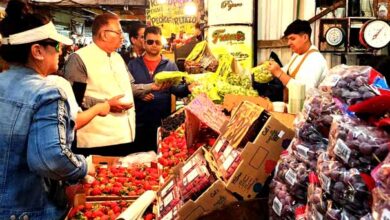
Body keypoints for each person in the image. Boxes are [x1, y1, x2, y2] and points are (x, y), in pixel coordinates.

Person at [0, 5, 92, 219]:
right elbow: (51, 159)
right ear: (37, 51)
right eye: (56, 46)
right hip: (28, 210)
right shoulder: (47, 92)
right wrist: (83, 167)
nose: (61, 51)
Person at [63, 13, 137, 156]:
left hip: (124, 135)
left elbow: (130, 88)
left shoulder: (117, 57)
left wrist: (153, 87)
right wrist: (106, 105)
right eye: (119, 32)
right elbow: (73, 101)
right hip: (96, 140)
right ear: (104, 34)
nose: (122, 37)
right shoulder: (79, 59)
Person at [128, 26, 191, 152]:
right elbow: (126, 89)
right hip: (139, 123)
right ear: (144, 43)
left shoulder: (170, 65)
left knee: (161, 157)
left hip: (162, 122)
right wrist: (139, 94)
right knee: (140, 159)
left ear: (161, 44)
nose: (154, 45)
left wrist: (188, 88)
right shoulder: (133, 65)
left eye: (157, 42)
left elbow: (176, 89)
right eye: (150, 42)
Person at [267, 19, 328, 98]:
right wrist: (270, 68)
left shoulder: (315, 60)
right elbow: (286, 70)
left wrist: (279, 73)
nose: (289, 43)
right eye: (288, 39)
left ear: (305, 37)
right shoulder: (297, 54)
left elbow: (306, 91)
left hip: (306, 108)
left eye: (292, 39)